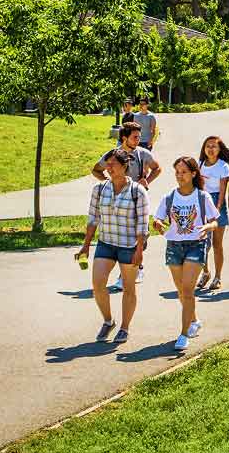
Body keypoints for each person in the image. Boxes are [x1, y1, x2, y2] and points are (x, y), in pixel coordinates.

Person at [76, 148, 150, 345]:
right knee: (97, 284)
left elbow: (143, 225)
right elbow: (93, 219)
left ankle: (125, 328)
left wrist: (139, 251)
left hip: (129, 246)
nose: (108, 168)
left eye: (112, 165)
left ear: (125, 166)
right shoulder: (99, 189)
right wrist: (85, 246)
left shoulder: (138, 191)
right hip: (106, 243)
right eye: (106, 165)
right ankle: (108, 321)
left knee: (128, 288)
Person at [152, 156, 219, 351]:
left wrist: (208, 226)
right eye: (177, 172)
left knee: (188, 290)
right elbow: (158, 219)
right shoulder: (169, 197)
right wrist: (158, 224)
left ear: (193, 174)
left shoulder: (202, 197)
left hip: (196, 245)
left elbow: (215, 221)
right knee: (181, 291)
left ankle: (183, 334)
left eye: (183, 172)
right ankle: (194, 320)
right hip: (174, 245)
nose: (179, 176)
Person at [93, 122, 163, 290]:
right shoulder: (113, 155)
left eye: (139, 137)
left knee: (140, 235)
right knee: (122, 237)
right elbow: (96, 170)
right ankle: (126, 274)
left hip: (137, 200)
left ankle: (136, 268)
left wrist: (147, 181)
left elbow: (157, 168)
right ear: (124, 138)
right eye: (135, 137)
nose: (139, 140)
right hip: (118, 204)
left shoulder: (143, 154)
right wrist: (108, 183)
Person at [196, 136, 229, 291]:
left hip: (217, 202)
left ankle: (218, 277)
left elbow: (223, 189)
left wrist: (217, 208)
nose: (210, 149)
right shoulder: (199, 164)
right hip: (202, 202)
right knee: (202, 243)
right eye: (208, 146)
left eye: (214, 146)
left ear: (219, 149)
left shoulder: (223, 166)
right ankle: (205, 272)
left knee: (217, 244)